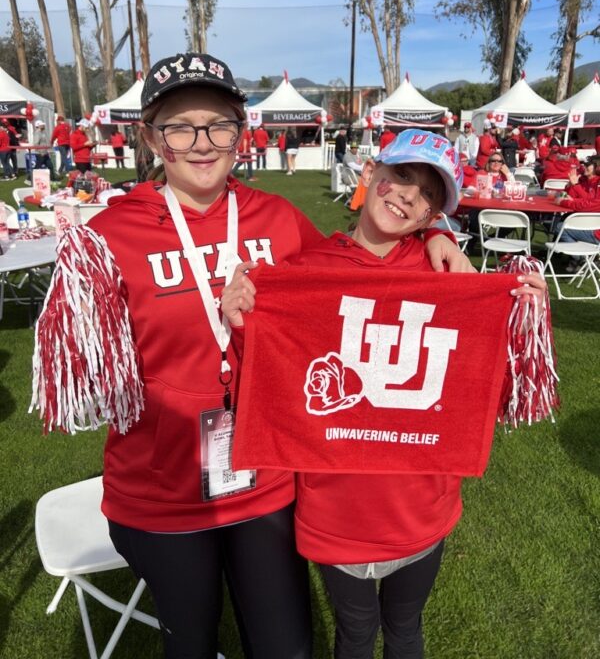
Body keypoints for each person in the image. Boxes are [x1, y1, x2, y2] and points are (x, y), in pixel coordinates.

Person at [32, 53, 472, 659]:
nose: (202, 143)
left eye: (219, 126)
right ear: (150, 136)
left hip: (266, 483)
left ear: (241, 133)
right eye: (180, 126)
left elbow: (364, 268)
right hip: (163, 492)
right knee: (190, 645)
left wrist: (436, 231)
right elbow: (80, 377)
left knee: (286, 649)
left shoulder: (278, 218)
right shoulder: (110, 236)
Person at [222, 128, 546, 659]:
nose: (407, 196)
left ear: (432, 216)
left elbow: (490, 390)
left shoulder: (448, 275)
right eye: (399, 176)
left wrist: (519, 323)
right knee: (354, 632)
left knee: (405, 630)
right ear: (370, 174)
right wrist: (242, 324)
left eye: (427, 195)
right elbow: (269, 379)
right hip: (336, 511)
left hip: (421, 508)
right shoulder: (306, 272)